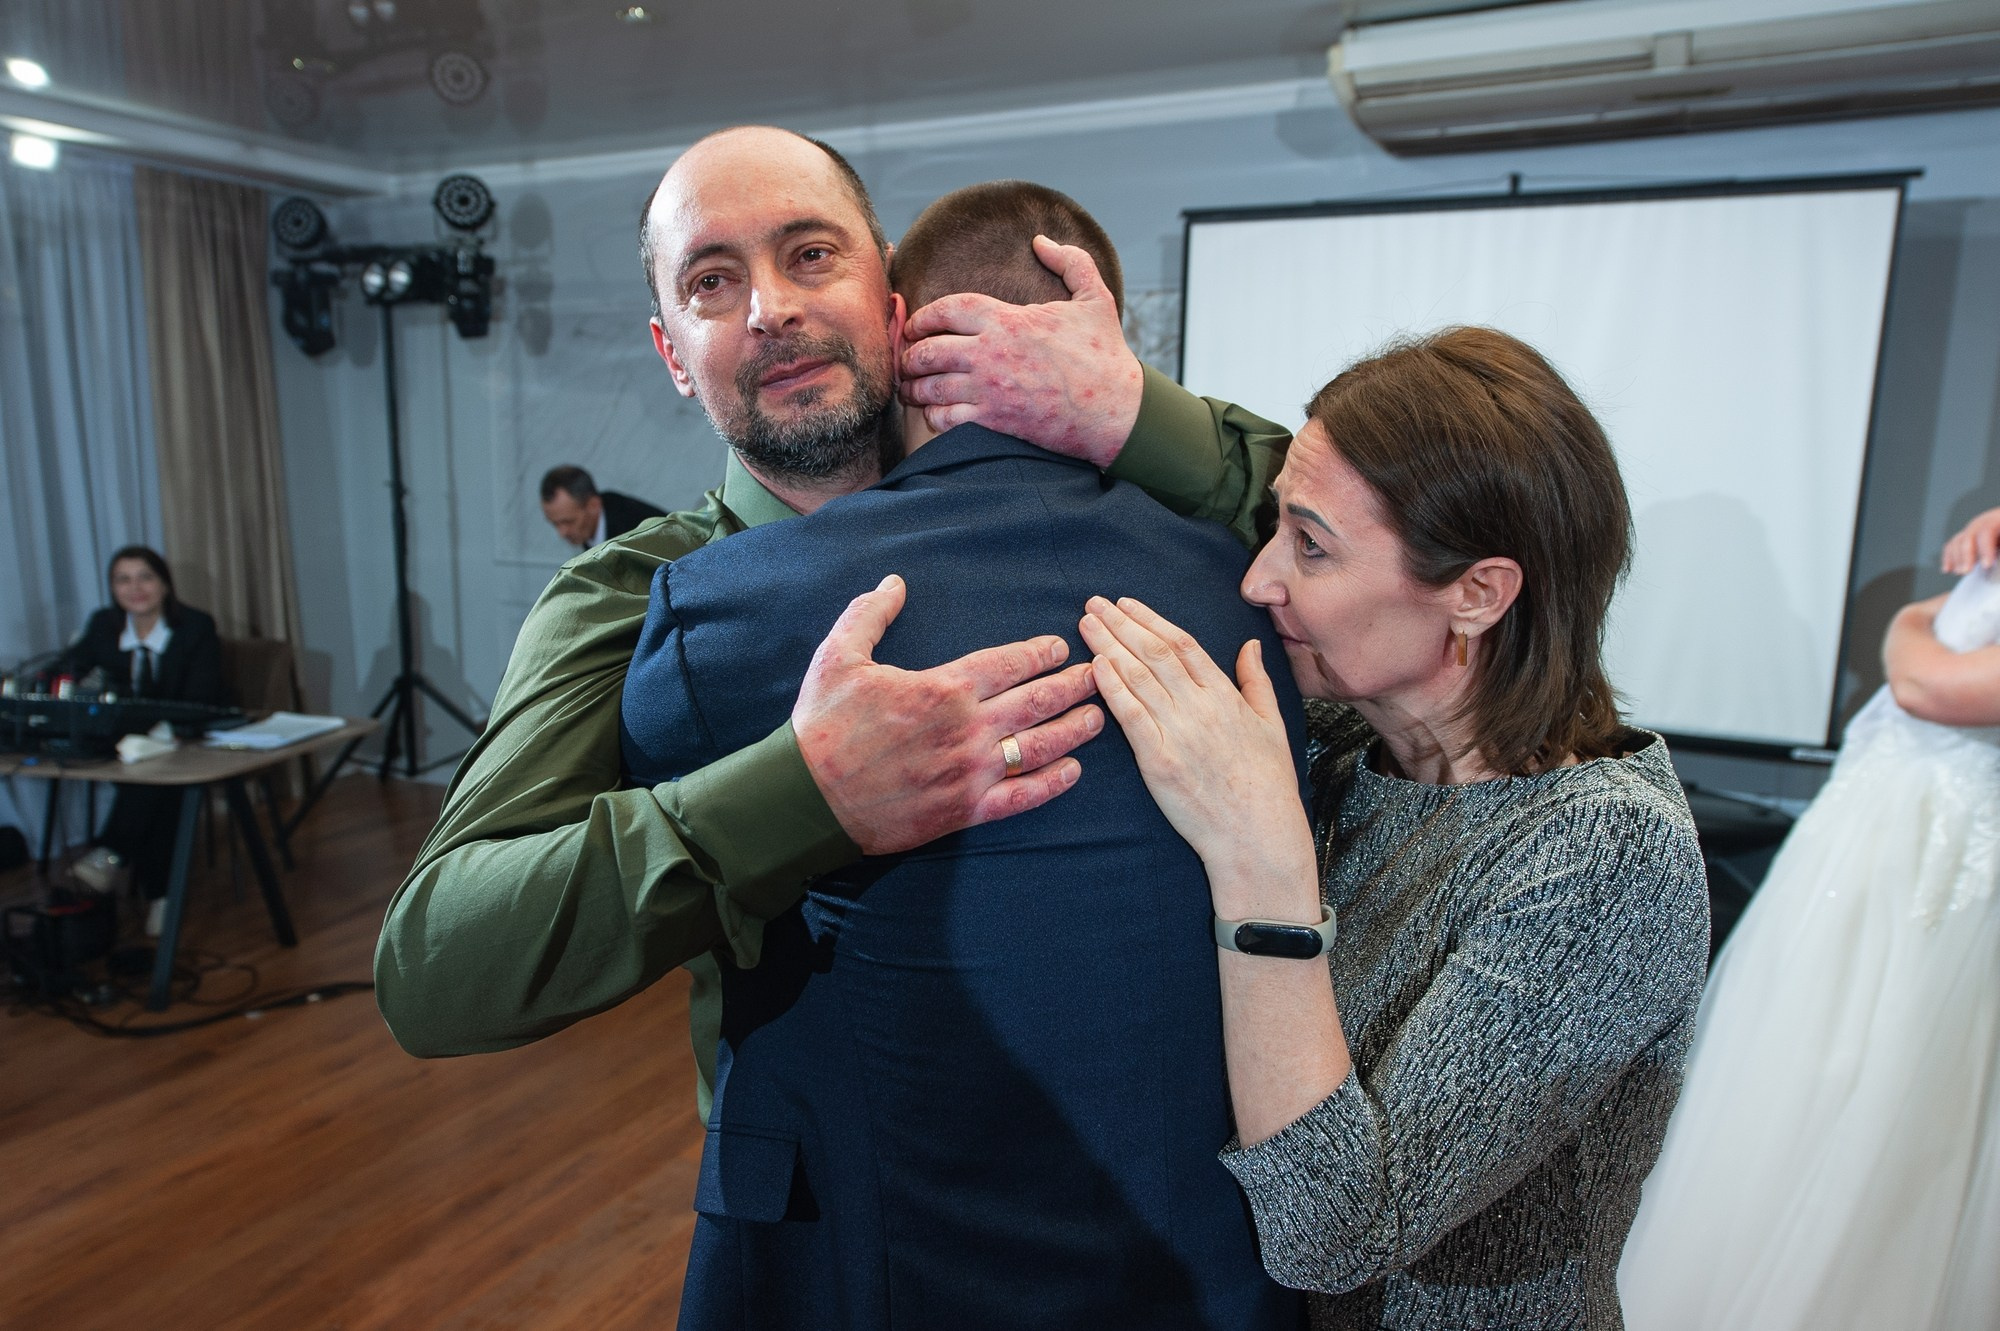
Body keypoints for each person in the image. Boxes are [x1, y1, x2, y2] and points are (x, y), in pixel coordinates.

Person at [372, 127, 1289, 1125]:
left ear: (889, 302)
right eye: (711, 283)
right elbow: (435, 963)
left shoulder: (1108, 504)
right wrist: (795, 795)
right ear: (671, 353)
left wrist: (1129, 411)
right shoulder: (629, 595)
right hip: (824, 1196)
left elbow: (1361, 536)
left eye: (811, 255)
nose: (771, 309)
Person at [621, 178, 1304, 1329]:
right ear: (1106, 342)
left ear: (901, 331)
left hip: (895, 1265)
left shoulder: (728, 611)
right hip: (1204, 1266)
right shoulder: (1259, 599)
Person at [1076, 326, 1711, 1329]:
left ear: (1475, 591)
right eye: (1276, 525)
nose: (1258, 578)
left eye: (1311, 545)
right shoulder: (1351, 743)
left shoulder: (1602, 854)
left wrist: (1259, 859)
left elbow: (1335, 1236)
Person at [1617, 565, 2000, 1331]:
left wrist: (1911, 625)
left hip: (1942, 866)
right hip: (1872, 853)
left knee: (1887, 1080)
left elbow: (1932, 685)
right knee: (1792, 1062)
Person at [63, 546, 225, 930]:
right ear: (112, 587)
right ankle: (160, 896)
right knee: (153, 784)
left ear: (164, 583)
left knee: (157, 781)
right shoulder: (104, 624)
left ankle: (113, 856)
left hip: (186, 738)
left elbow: (198, 699)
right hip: (127, 744)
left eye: (145, 577)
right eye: (123, 579)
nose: (135, 588)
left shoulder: (195, 627)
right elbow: (68, 666)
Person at [538, 464, 667, 548]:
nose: (562, 533)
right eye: (555, 524)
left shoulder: (635, 532)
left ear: (593, 505)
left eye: (569, 521)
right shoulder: (589, 529)